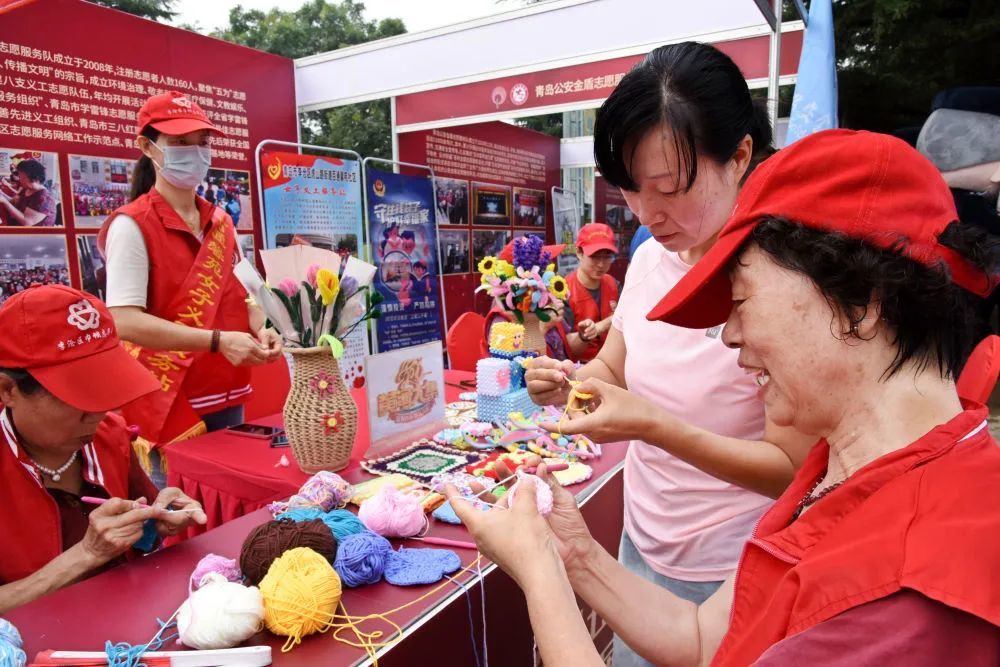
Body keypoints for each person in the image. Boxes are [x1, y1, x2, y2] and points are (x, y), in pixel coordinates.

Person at [450, 129, 1000, 665]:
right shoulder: (845, 471)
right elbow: (701, 638)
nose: (730, 335)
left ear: (861, 301)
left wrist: (539, 574)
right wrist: (572, 553)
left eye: (741, 298)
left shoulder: (905, 595)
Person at [524, 44, 812, 666]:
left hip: (735, 564)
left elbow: (795, 468)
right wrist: (570, 380)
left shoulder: (785, 280)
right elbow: (615, 366)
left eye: (671, 188)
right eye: (630, 189)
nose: (648, 214)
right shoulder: (652, 259)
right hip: (644, 539)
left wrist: (655, 427)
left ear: (739, 156)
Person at [98, 91, 282, 482]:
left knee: (229, 502)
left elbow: (247, 292)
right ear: (148, 147)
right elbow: (124, 321)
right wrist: (218, 342)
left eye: (203, 143)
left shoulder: (220, 222)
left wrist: (264, 328)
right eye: (180, 143)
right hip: (168, 400)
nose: (194, 153)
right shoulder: (132, 225)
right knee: (176, 521)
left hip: (229, 391)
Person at [0, 285, 207, 612]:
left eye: (105, 386)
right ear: (8, 390)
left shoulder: (110, 436)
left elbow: (140, 537)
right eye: (79, 395)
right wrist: (85, 555)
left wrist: (157, 522)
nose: (96, 413)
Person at [482, 236, 571, 360]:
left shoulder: (545, 304)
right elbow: (510, 368)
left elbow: (569, 346)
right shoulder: (500, 322)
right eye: (545, 268)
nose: (553, 272)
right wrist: (543, 327)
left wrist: (585, 335)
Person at [562, 223, 620, 362]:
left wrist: (602, 325)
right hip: (580, 367)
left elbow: (630, 314)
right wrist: (584, 336)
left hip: (613, 362)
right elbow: (564, 348)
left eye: (607, 256)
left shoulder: (614, 284)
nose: (601, 264)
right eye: (594, 256)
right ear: (579, 253)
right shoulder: (564, 291)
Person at [0, 159, 58, 226]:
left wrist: (5, 201)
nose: (20, 179)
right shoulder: (26, 189)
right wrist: (2, 194)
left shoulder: (44, 198)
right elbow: (13, 202)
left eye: (23, 177)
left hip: (33, 235)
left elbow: (27, 222)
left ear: (35, 178)